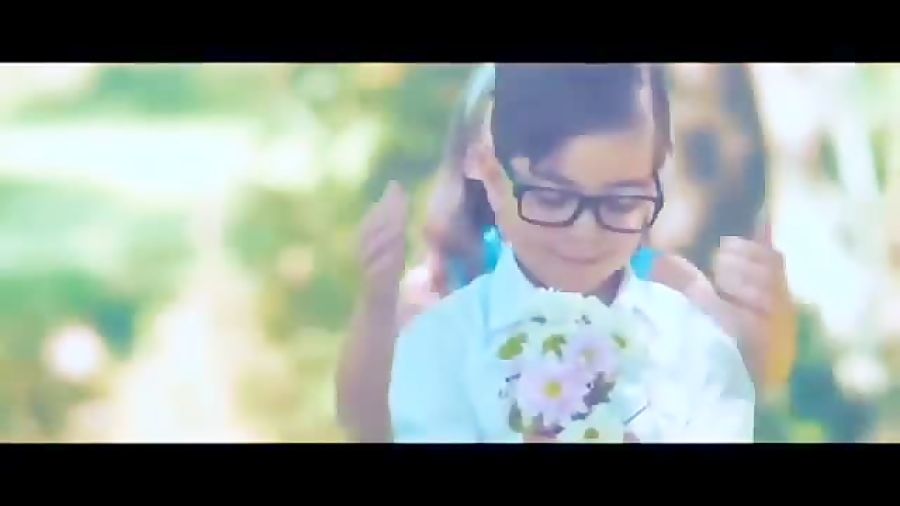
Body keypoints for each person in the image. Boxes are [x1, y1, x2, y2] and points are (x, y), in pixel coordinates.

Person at [338, 64, 795, 442]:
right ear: (489, 176)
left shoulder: (667, 288)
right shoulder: (446, 294)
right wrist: (377, 306)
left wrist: (766, 332)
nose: (586, 233)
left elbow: (746, 378)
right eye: (553, 198)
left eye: (619, 202)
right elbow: (367, 423)